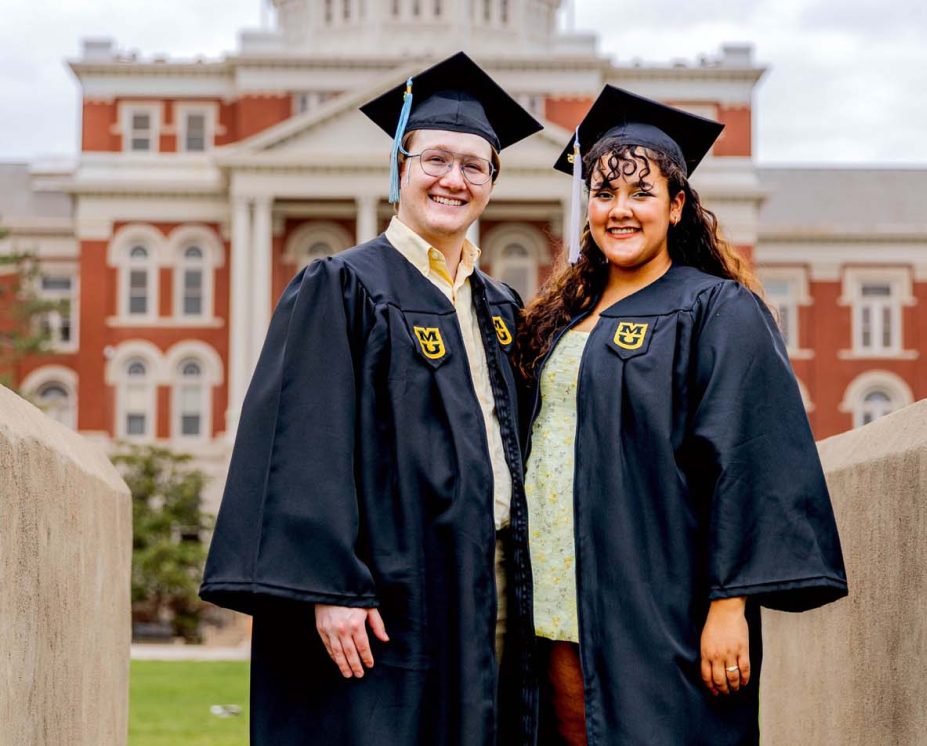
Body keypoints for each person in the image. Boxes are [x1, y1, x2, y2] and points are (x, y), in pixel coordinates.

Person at [200, 52, 544, 745]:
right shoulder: (342, 286)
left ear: (492, 182)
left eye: (474, 166)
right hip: (387, 585)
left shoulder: (501, 306)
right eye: (435, 160)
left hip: (491, 578)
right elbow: (303, 439)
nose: (454, 179)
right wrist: (331, 585)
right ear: (401, 167)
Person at [514, 85, 848, 745]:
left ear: (677, 205)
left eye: (641, 193)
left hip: (660, 595)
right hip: (557, 594)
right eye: (605, 194)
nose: (620, 210)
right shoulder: (562, 321)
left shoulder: (717, 309)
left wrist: (729, 605)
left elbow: (749, 458)